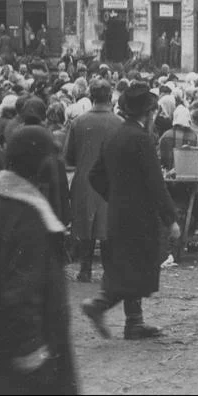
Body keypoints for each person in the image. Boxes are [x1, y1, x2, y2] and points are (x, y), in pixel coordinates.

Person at [0, 126, 78, 394]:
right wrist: (32, 351)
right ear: (41, 164)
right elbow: (22, 293)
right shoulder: (29, 217)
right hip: (16, 359)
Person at [83, 82, 180, 341]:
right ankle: (101, 305)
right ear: (147, 114)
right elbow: (155, 183)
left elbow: (94, 175)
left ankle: (134, 322)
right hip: (140, 216)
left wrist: (115, 196)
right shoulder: (142, 140)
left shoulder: (114, 136)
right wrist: (170, 218)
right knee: (138, 266)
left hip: (117, 213)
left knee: (128, 263)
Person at [64, 79, 123, 283]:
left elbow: (69, 157)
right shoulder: (120, 123)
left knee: (85, 226)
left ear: (91, 96)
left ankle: (85, 269)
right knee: (108, 226)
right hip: (111, 183)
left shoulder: (78, 123)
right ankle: (109, 271)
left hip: (84, 181)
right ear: (110, 97)